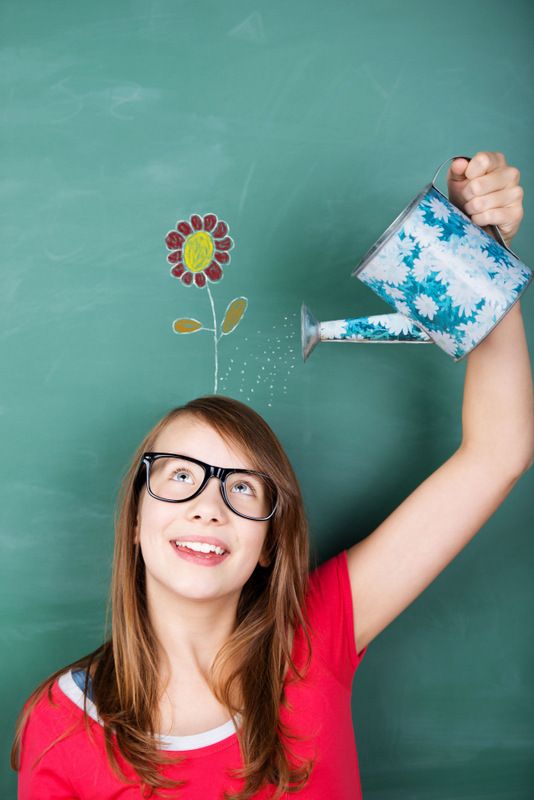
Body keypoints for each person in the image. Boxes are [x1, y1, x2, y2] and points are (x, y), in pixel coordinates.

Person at [11, 152, 533, 800]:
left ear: (268, 546)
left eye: (241, 488)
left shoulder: (317, 637)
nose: (209, 506)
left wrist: (479, 257)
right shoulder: (61, 726)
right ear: (135, 523)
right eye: (179, 478)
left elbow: (497, 452)